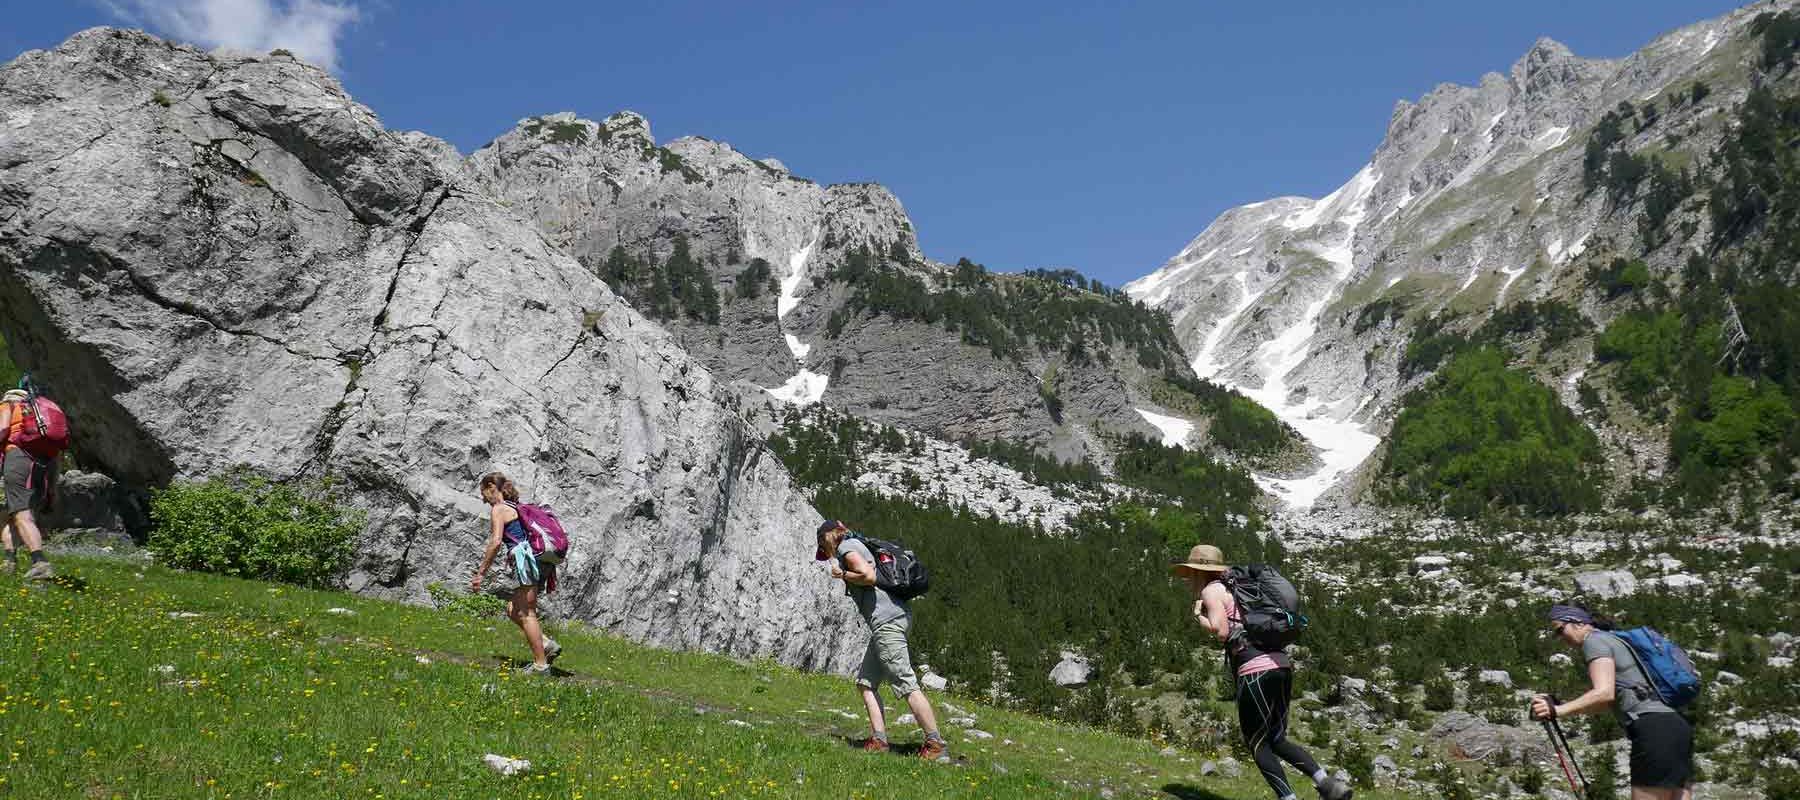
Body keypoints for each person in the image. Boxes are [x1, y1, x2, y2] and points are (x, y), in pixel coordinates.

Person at [1173, 544, 1352, 800]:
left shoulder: (1211, 590)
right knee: (1277, 739)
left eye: (1190, 573)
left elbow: (1220, 631)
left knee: (1257, 743)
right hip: (1280, 664)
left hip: (1254, 670)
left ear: (1199, 571)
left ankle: (1288, 798)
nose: (1187, 579)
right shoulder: (1242, 587)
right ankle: (1328, 785)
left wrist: (1198, 617)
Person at [814, 519, 947, 761]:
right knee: (866, 683)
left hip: (887, 622)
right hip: (891, 619)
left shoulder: (846, 547)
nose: (825, 552)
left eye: (823, 545)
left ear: (829, 537)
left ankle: (935, 743)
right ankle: (879, 740)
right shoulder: (858, 543)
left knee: (905, 682)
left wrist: (842, 573)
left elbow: (867, 575)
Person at [1532, 604, 1694, 800]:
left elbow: (1603, 694)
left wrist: (1557, 711)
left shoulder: (1594, 642)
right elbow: (1604, 702)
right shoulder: (1615, 640)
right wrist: (1562, 705)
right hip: (1677, 726)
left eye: (1560, 630)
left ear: (1578, 623)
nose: (1560, 638)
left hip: (1652, 729)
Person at [469, 471, 560, 675]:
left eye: (483, 493)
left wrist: (481, 573)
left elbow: (496, 542)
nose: (483, 499)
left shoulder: (499, 509)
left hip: (527, 560)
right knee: (512, 609)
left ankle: (540, 666)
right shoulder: (515, 507)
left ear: (492, 487)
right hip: (542, 562)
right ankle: (545, 644)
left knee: (526, 613)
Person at [0, 389, 54, 581]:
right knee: (17, 512)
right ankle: (10, 562)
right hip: (42, 462)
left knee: (20, 514)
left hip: (17, 457)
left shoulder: (9, 405)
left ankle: (39, 563)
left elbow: (3, 429)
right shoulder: (34, 413)